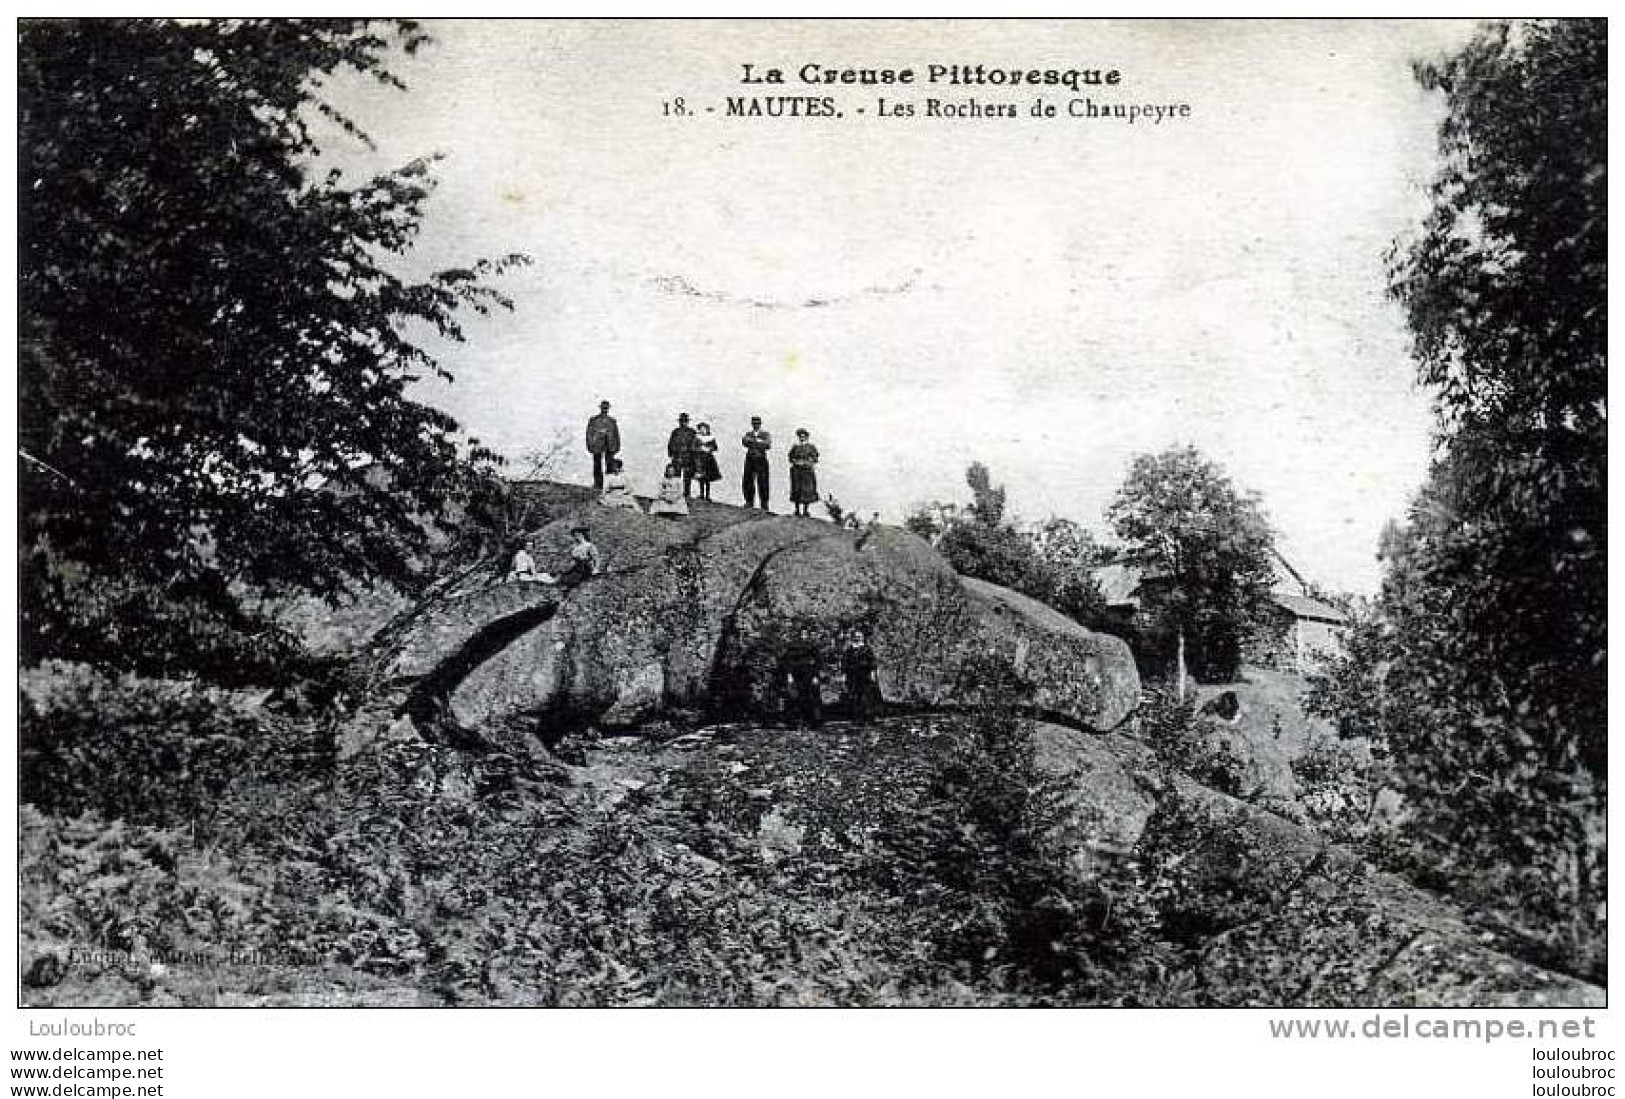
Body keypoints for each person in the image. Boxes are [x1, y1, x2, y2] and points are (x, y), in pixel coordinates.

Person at [779, 629, 824, 728]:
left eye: (805, 634)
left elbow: (819, 662)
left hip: (810, 675)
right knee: (795, 699)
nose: (803, 636)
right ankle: (796, 722)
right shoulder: (792, 647)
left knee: (812, 698)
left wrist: (816, 676)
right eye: (801, 634)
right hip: (796, 676)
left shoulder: (812, 646)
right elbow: (786, 662)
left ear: (807, 635)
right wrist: (789, 675)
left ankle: (813, 722)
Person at [841, 629, 883, 721]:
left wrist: (872, 673)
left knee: (869, 695)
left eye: (860, 636)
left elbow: (872, 662)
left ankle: (871, 715)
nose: (859, 638)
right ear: (853, 637)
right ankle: (857, 716)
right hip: (853, 676)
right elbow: (844, 663)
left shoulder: (867, 649)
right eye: (857, 636)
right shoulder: (849, 650)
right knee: (855, 695)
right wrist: (844, 676)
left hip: (866, 675)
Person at [585, 400, 620, 491]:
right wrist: (589, 445)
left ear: (608, 409)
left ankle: (609, 485)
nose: (604, 410)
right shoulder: (594, 420)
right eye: (603, 408)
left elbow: (616, 434)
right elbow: (589, 433)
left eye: (606, 408)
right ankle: (598, 484)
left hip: (609, 446)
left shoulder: (612, 421)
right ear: (600, 408)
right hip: (597, 446)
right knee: (597, 465)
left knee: (610, 466)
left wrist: (617, 446)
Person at [740, 416, 772, 510]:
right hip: (750, 458)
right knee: (748, 480)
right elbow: (744, 442)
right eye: (754, 423)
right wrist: (758, 442)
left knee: (763, 481)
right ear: (752, 424)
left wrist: (754, 442)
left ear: (760, 424)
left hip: (761, 459)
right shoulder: (749, 433)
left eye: (757, 423)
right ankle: (749, 502)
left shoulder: (765, 434)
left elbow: (767, 445)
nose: (756, 425)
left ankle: (764, 504)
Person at [788, 428, 820, 518]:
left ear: (807, 437)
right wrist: (796, 461)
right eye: (800, 436)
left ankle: (806, 510)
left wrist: (808, 462)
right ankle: (797, 510)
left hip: (807, 472)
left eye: (804, 436)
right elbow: (790, 458)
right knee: (796, 489)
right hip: (797, 471)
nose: (802, 438)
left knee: (807, 490)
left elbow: (815, 458)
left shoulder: (811, 447)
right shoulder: (795, 447)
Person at [667, 413, 699, 498]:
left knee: (687, 477)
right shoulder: (675, 432)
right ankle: (675, 492)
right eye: (681, 421)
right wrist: (671, 453)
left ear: (687, 422)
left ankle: (687, 494)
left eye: (685, 421)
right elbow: (671, 443)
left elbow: (695, 444)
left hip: (688, 457)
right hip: (677, 456)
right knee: (676, 475)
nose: (683, 423)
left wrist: (693, 456)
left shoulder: (692, 432)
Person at [692, 422, 722, 501]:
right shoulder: (697, 438)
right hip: (700, 460)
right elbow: (693, 448)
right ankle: (702, 494)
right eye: (701, 429)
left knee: (708, 478)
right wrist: (700, 449)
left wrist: (709, 448)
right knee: (701, 478)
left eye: (704, 429)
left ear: (707, 429)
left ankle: (707, 496)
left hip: (709, 460)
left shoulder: (711, 438)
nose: (703, 430)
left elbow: (716, 448)